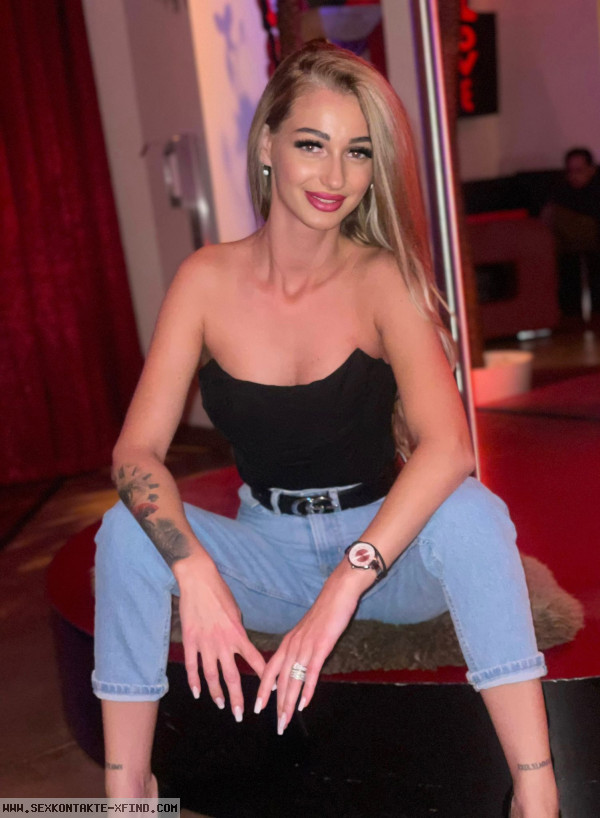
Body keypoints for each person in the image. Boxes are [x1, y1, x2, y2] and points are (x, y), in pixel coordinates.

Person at [92, 41, 560, 817]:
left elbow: (448, 447)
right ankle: (127, 791)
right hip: (267, 560)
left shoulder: (384, 279)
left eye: (358, 152)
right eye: (313, 144)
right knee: (125, 530)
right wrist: (193, 570)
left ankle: (536, 789)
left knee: (473, 514)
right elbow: (134, 452)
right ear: (267, 145)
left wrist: (348, 580)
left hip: (387, 559)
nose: (335, 175)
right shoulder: (204, 280)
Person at [541, 147, 600, 323]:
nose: (574, 176)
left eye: (579, 171)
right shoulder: (562, 191)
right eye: (570, 171)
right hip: (569, 244)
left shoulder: (596, 189)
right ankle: (569, 316)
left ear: (591, 169)